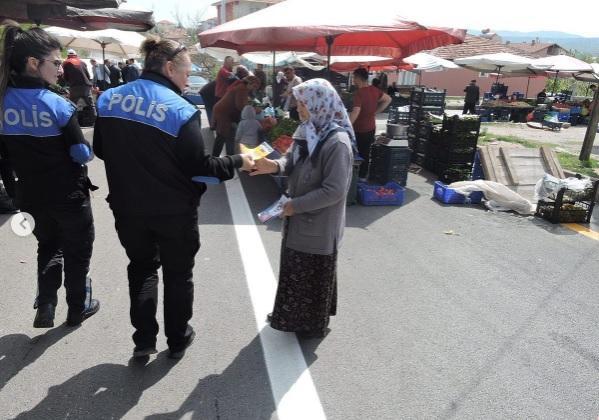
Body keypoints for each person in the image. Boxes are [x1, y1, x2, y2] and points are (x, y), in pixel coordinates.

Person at [93, 37, 254, 359]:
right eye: (185, 73)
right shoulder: (180, 109)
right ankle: (178, 339)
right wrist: (240, 161)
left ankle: (143, 341)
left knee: (141, 269)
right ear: (169, 68)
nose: (186, 80)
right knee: (178, 275)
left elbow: (99, 149)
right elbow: (199, 166)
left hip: (128, 208)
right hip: (174, 212)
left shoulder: (109, 99)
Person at [0, 23, 100, 328]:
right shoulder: (58, 104)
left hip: (28, 195)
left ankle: (46, 303)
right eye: (55, 63)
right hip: (68, 194)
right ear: (33, 63)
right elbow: (81, 153)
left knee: (48, 246)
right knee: (77, 251)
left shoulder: (2, 102)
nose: (60, 70)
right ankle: (76, 308)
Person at [250, 78, 354, 338]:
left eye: (303, 104)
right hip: (298, 217)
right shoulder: (308, 130)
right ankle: (291, 317)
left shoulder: (337, 142)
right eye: (298, 103)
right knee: (295, 266)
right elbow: (291, 161)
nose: (298, 109)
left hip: (317, 221)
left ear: (319, 104)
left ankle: (309, 324)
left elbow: (335, 191)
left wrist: (295, 206)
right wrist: (272, 166)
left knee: (312, 269)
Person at [349, 67, 391, 180]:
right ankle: (363, 177)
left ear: (358, 78)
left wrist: (347, 126)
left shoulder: (359, 93)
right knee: (366, 153)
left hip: (359, 129)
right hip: (371, 128)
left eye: (354, 77)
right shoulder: (374, 90)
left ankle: (354, 177)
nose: (353, 80)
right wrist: (375, 112)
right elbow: (388, 99)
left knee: (355, 154)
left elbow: (355, 112)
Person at [212, 75, 261, 156]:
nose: (254, 89)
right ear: (250, 83)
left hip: (223, 111)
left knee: (223, 136)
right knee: (224, 136)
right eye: (254, 86)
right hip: (223, 113)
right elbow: (241, 106)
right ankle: (222, 159)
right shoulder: (242, 89)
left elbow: (241, 103)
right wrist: (254, 110)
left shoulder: (241, 86)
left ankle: (220, 158)